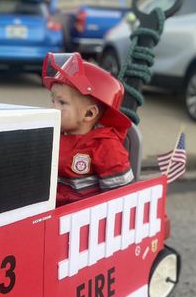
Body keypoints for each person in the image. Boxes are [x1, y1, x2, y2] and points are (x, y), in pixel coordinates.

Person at [42, 52, 134, 206]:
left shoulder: (105, 146)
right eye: (53, 101)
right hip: (50, 214)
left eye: (62, 103)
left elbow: (121, 199)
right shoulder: (54, 134)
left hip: (84, 221)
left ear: (89, 114)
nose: (53, 107)